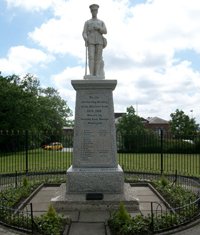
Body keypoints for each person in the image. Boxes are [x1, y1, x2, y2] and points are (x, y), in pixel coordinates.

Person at [82, 4, 107, 78]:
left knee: (98, 58)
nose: (94, 12)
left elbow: (105, 31)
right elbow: (84, 32)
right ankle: (92, 74)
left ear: (97, 11)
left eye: (95, 10)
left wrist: (99, 28)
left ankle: (97, 74)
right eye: (92, 10)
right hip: (90, 41)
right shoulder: (87, 22)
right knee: (91, 57)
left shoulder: (101, 22)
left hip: (99, 41)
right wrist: (85, 38)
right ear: (91, 11)